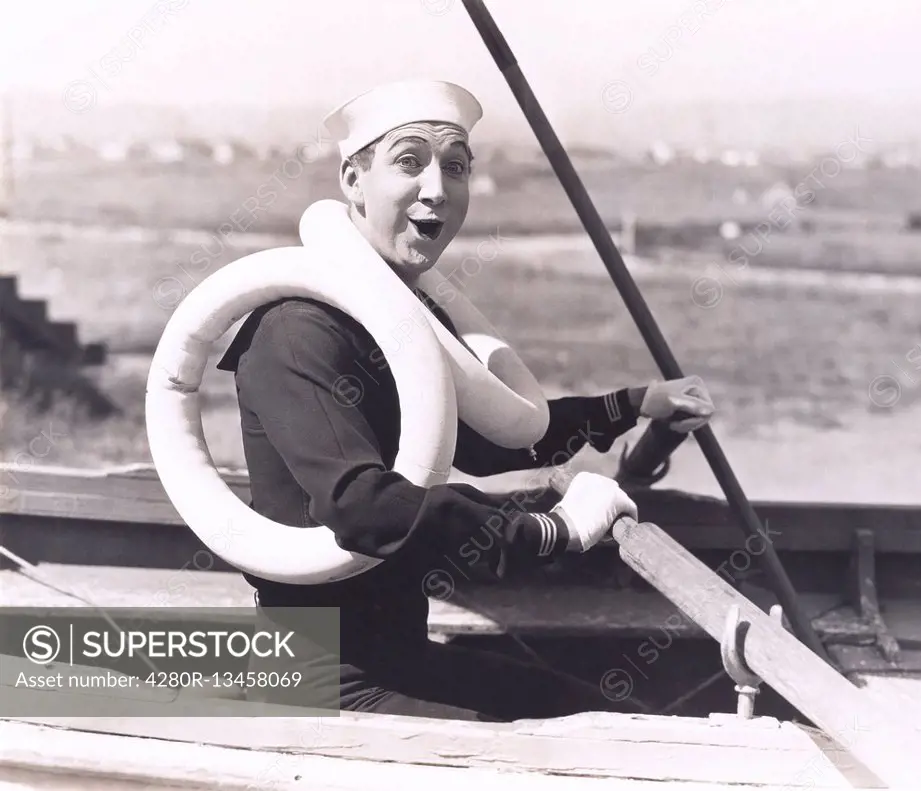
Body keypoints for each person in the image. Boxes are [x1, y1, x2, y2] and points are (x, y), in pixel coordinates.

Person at [216, 79, 715, 720]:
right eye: (408, 161)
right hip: (324, 684)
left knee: (597, 714)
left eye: (455, 167)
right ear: (352, 180)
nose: (437, 188)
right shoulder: (298, 331)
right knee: (579, 750)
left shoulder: (402, 319)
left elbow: (487, 439)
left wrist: (633, 403)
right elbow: (362, 507)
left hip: (399, 656)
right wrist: (550, 532)